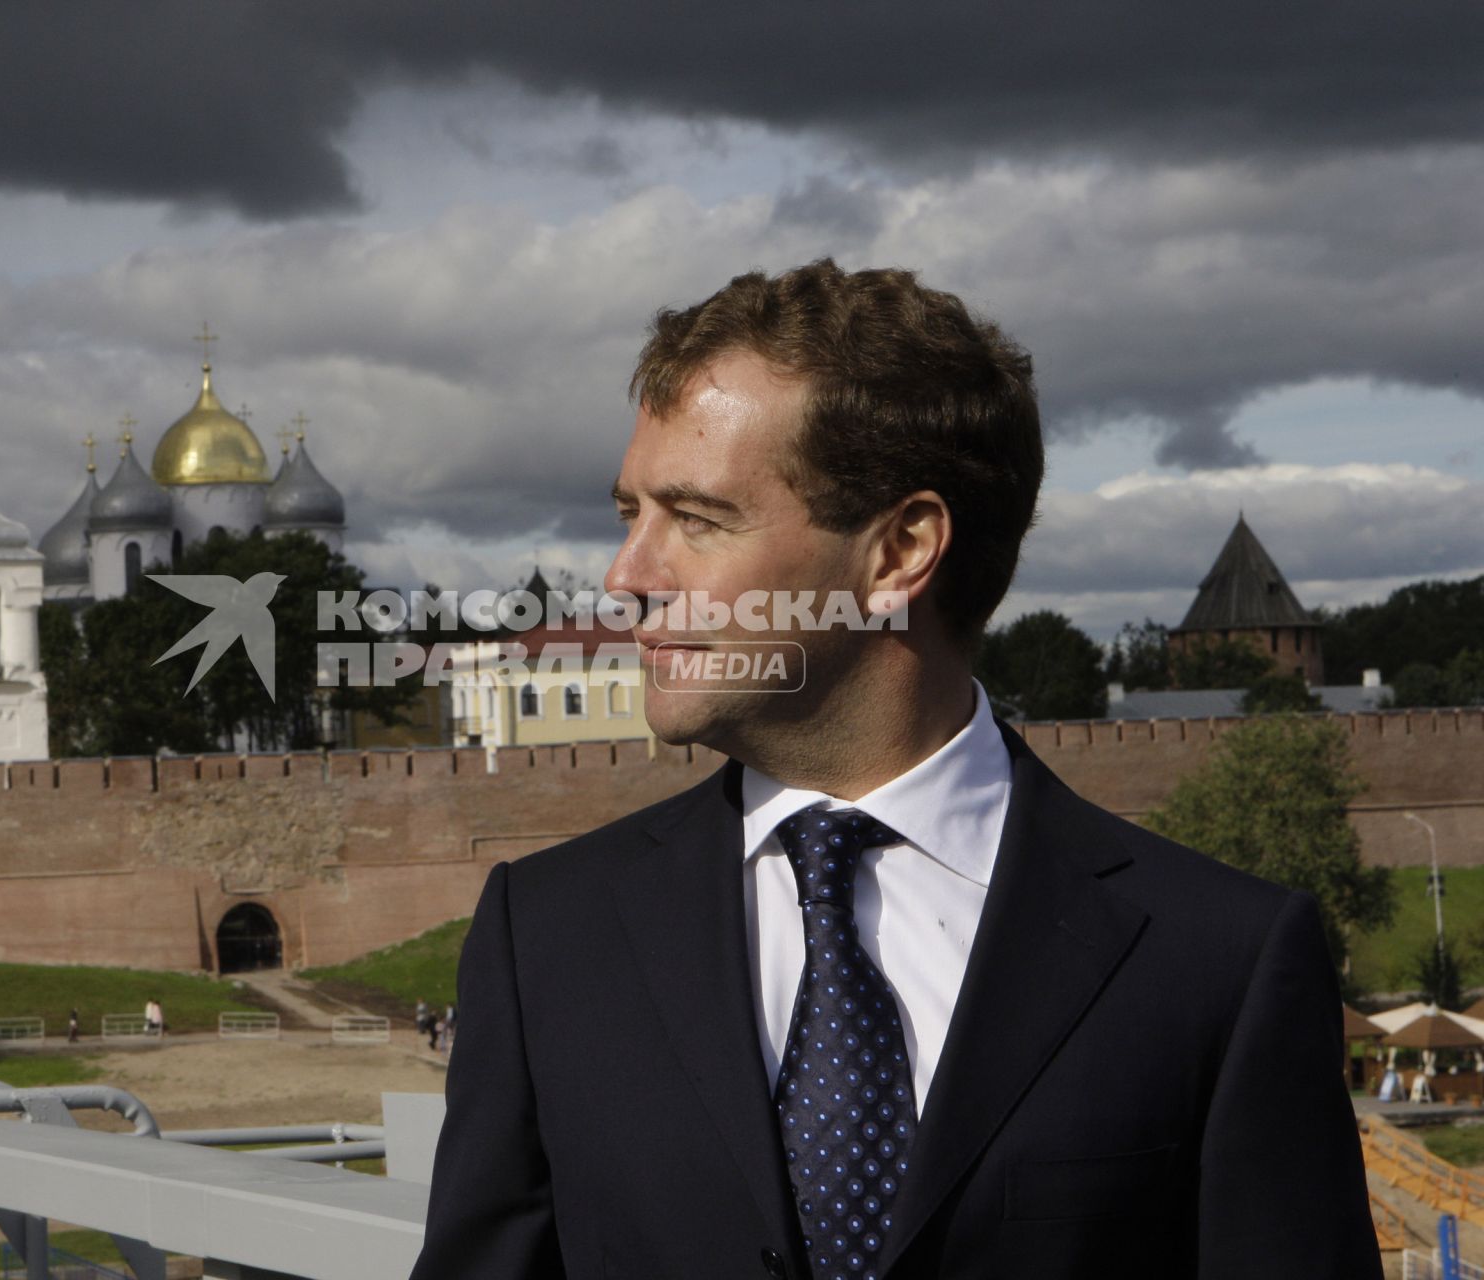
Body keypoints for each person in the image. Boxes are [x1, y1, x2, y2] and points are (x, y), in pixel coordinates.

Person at [411, 262, 1378, 1279]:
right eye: (628, 514)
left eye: (695, 518)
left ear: (900, 550)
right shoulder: (550, 937)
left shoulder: (1215, 960)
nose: (628, 576)